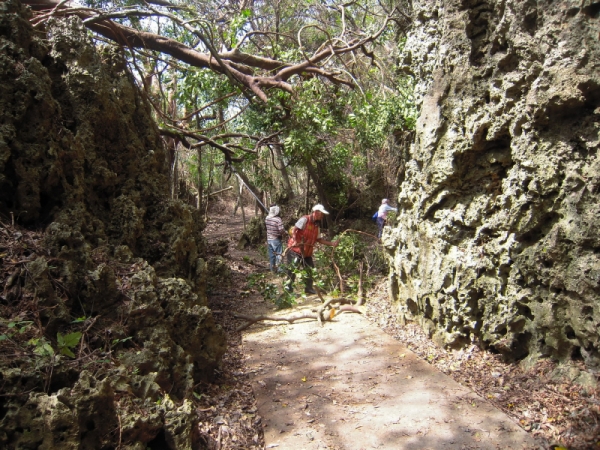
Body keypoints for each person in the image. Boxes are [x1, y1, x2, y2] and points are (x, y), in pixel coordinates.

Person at [285, 204, 339, 294]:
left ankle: (308, 288)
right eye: (321, 214)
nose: (322, 216)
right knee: (292, 270)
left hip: (307, 252)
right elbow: (294, 229)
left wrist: (332, 244)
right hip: (295, 250)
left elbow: (319, 239)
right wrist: (295, 239)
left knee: (310, 269)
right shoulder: (305, 219)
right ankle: (288, 290)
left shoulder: (316, 226)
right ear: (316, 213)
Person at [265, 205, 285, 272]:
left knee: (272, 255)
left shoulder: (267, 218)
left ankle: (272, 270)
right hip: (276, 239)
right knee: (279, 255)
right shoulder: (278, 219)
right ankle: (280, 271)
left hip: (269, 239)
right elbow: (281, 230)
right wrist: (285, 233)